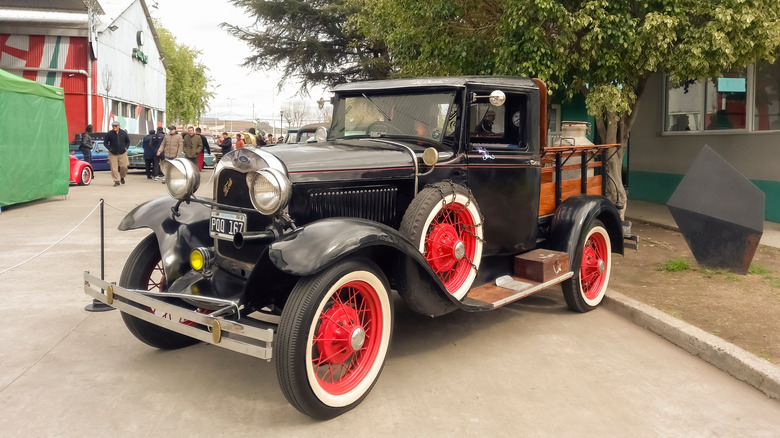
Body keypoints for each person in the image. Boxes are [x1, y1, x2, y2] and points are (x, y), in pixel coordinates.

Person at [104, 121, 130, 187]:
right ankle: (116, 181)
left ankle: (122, 177)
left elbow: (128, 141)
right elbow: (105, 143)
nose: (114, 127)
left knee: (124, 166)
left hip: (122, 153)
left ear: (119, 126)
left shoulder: (123, 133)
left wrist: (126, 148)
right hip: (113, 153)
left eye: (115, 126)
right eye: (113, 126)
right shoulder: (109, 134)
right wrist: (109, 149)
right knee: (114, 168)